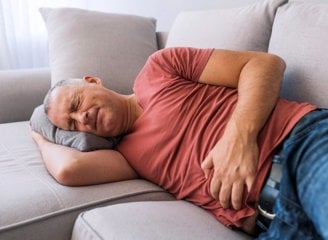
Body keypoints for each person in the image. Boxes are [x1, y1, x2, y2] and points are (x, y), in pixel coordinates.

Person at [31, 47, 328, 239]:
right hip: (276, 224)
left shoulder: (160, 68)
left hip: (300, 146)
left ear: (92, 81)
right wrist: (38, 134)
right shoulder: (126, 155)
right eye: (71, 124)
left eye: (77, 103)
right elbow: (69, 170)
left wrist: (238, 138)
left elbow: (264, 64)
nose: (82, 118)